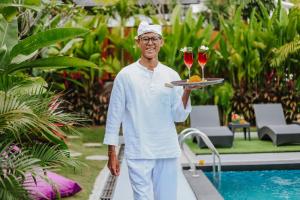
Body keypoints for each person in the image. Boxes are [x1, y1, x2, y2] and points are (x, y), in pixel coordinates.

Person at [103, 21, 192, 200]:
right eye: (145, 39)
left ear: (161, 42)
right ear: (138, 42)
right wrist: (111, 152)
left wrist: (187, 90)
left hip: (167, 150)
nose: (150, 43)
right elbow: (114, 116)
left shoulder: (172, 75)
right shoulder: (125, 75)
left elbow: (179, 115)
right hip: (139, 151)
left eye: (154, 38)